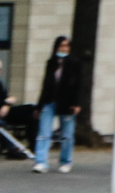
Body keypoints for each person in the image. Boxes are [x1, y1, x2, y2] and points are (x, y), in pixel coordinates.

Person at [34, 34, 82, 173]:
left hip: (67, 102)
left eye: (66, 46)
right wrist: (39, 106)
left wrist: (76, 103)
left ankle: (66, 161)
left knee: (67, 134)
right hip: (50, 100)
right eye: (61, 46)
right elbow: (46, 84)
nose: (64, 48)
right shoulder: (51, 63)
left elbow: (78, 84)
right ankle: (41, 161)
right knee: (44, 132)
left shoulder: (74, 63)